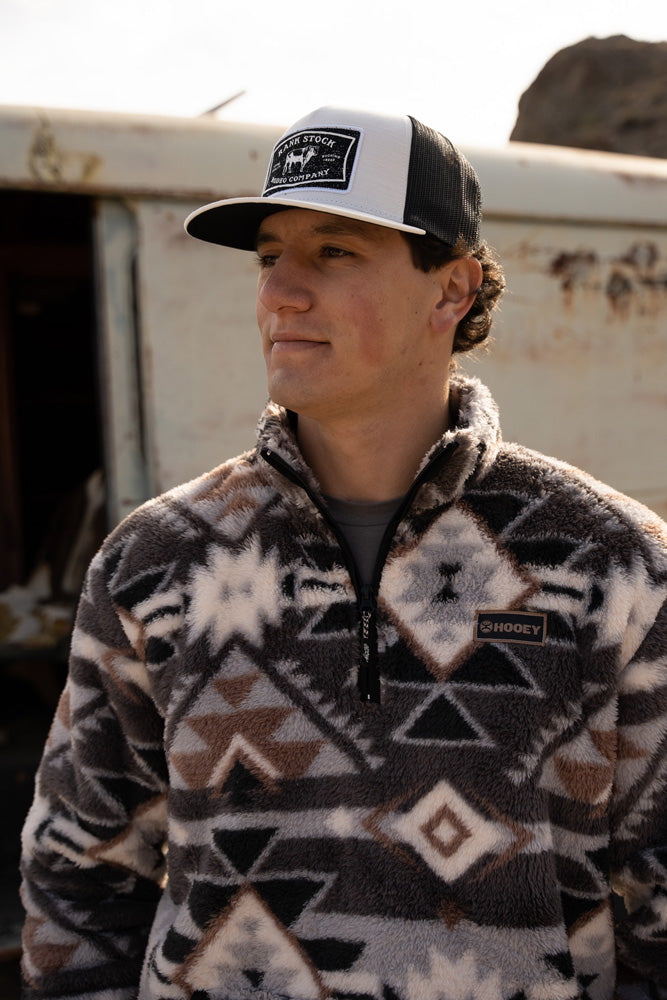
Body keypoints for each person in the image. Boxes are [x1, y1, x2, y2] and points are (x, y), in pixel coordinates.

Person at [20, 106, 666, 1000]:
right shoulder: (154, 561)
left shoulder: (613, 562)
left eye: (332, 253)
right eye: (269, 256)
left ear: (451, 291)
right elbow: (77, 875)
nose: (279, 291)